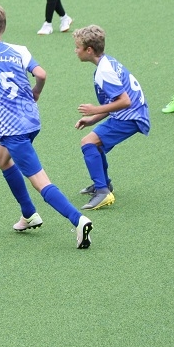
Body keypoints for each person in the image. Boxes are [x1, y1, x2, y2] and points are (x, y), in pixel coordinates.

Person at [0, 4, 93, 249]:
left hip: (12, 129)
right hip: (31, 120)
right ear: (3, 27)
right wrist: (37, 91)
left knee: (40, 182)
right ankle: (29, 213)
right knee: (1, 157)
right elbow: (42, 74)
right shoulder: (19, 50)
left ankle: (79, 220)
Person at [72, 25, 150, 210]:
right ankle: (104, 184)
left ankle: (102, 192)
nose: (75, 51)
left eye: (77, 47)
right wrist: (93, 119)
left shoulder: (104, 71)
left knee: (88, 143)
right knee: (95, 144)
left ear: (89, 50)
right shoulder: (107, 62)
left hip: (130, 116)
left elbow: (125, 101)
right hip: (130, 113)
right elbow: (116, 100)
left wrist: (94, 110)